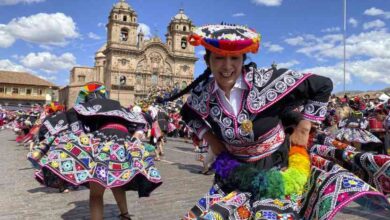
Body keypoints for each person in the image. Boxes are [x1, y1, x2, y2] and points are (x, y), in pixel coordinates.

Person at [164, 24, 390, 219]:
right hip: (233, 171)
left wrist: (305, 125)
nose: (227, 66)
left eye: (235, 58)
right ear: (207, 60)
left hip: (277, 166)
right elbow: (188, 113)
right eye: (219, 58)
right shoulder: (203, 93)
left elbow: (322, 84)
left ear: (243, 58)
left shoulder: (266, 81)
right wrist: (211, 139)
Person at [28, 83, 162, 220]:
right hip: (125, 143)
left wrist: (81, 144)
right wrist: (133, 141)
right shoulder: (120, 107)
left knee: (96, 193)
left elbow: (70, 127)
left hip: (103, 141)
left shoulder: (82, 108)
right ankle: (125, 215)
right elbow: (141, 125)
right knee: (118, 182)